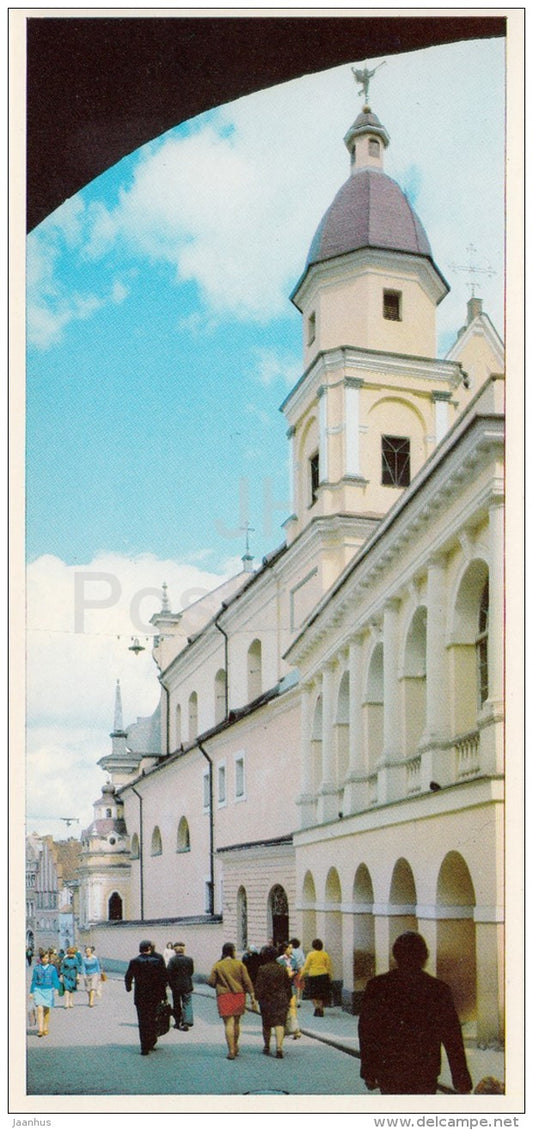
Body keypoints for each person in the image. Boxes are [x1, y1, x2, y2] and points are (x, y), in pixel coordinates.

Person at [358, 931, 473, 1096]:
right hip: (425, 1071)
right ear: (425, 957)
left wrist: (369, 1071)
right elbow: (452, 1036)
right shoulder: (438, 990)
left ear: (395, 956)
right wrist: (461, 1079)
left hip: (389, 1070)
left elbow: (367, 1032)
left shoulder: (377, 986)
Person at [208, 941, 256, 1060]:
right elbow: (247, 981)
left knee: (228, 1023)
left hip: (224, 995)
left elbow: (211, 981)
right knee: (237, 1022)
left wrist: (219, 985)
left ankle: (231, 1050)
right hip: (239, 995)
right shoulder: (239, 964)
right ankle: (235, 1044)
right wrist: (252, 996)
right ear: (233, 951)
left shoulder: (218, 965)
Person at [125, 939, 168, 1056]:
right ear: (149, 948)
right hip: (155, 995)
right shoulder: (157, 960)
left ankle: (144, 1047)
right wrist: (164, 995)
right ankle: (152, 1041)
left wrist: (128, 987)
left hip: (140, 996)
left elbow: (128, 976)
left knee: (142, 1021)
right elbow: (163, 978)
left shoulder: (134, 961)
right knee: (153, 1019)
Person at [255, 945, 293, 1058]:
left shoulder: (262, 969)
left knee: (266, 1024)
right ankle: (279, 1048)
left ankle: (267, 1046)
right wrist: (289, 998)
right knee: (279, 1023)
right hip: (281, 999)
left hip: (267, 1000)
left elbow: (259, 985)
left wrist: (257, 997)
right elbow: (287, 985)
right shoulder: (282, 969)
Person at [29, 949, 61, 1037]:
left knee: (46, 1009)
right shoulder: (37, 968)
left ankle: (45, 1026)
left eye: (46, 958)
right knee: (39, 1008)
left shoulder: (52, 968)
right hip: (38, 989)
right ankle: (40, 1029)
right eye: (43, 958)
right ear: (41, 958)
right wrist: (31, 992)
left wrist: (57, 989)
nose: (45, 959)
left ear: (49, 959)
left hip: (49, 990)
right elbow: (34, 980)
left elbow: (55, 979)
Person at [300, 937, 332, 1016]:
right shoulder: (325, 954)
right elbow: (328, 966)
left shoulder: (311, 954)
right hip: (323, 975)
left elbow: (306, 966)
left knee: (313, 993)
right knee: (321, 993)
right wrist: (330, 976)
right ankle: (321, 1008)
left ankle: (317, 1007)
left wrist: (301, 976)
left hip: (313, 975)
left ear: (313, 946)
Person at [276, 941, 301, 1039]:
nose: (291, 950)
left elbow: (297, 970)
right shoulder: (279, 960)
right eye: (289, 948)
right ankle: (283, 1028)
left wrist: (293, 973)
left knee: (293, 1007)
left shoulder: (294, 960)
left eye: (291, 948)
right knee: (283, 1007)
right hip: (282, 986)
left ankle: (296, 1030)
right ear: (284, 949)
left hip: (291, 986)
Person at [167, 941, 194, 1031]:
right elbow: (191, 972)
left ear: (175, 950)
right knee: (187, 1003)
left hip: (176, 986)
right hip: (187, 985)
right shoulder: (189, 959)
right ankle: (187, 1022)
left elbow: (169, 973)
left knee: (177, 1004)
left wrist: (170, 984)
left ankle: (177, 1022)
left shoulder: (172, 960)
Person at [289, 937, 305, 1006]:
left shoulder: (290, 951)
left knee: (291, 984)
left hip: (292, 969)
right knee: (298, 984)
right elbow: (303, 960)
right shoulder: (300, 951)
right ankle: (298, 999)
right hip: (299, 968)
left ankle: (292, 999)